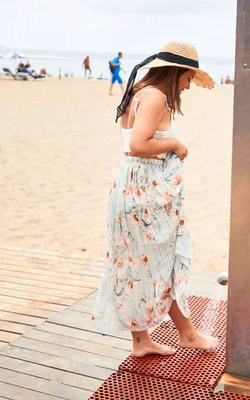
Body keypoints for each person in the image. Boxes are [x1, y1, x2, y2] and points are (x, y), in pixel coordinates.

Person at [92, 41, 218, 357]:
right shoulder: (157, 97)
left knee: (137, 265)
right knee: (165, 263)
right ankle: (187, 335)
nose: (188, 87)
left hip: (128, 187)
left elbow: (128, 143)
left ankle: (141, 341)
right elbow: (137, 144)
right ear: (176, 72)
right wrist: (175, 143)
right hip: (143, 192)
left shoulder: (138, 92)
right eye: (189, 78)